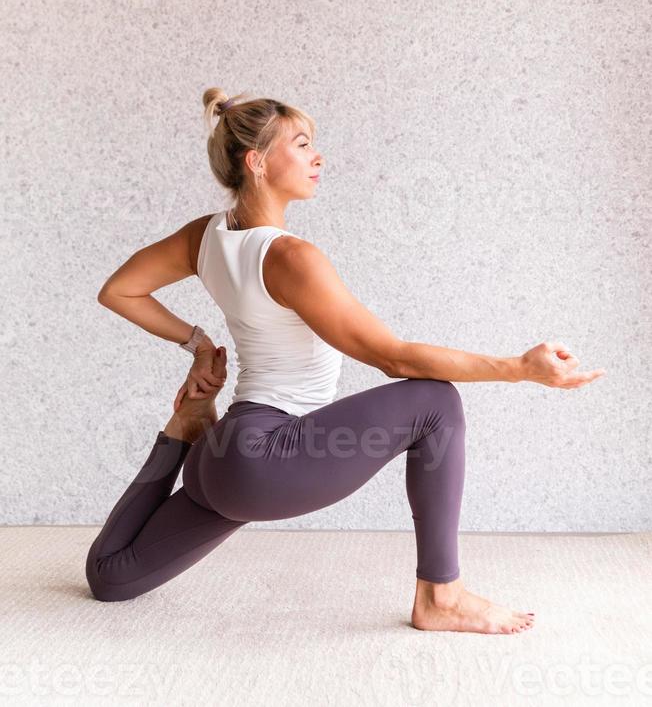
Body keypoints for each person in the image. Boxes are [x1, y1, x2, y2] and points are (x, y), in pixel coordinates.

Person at [85, 88, 605, 633]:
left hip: (219, 458)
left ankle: (182, 431)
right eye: (303, 144)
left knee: (110, 576)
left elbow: (120, 290)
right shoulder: (289, 257)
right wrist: (519, 368)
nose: (318, 158)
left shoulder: (205, 236)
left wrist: (198, 348)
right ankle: (441, 597)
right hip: (263, 458)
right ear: (257, 162)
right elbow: (390, 357)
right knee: (434, 400)